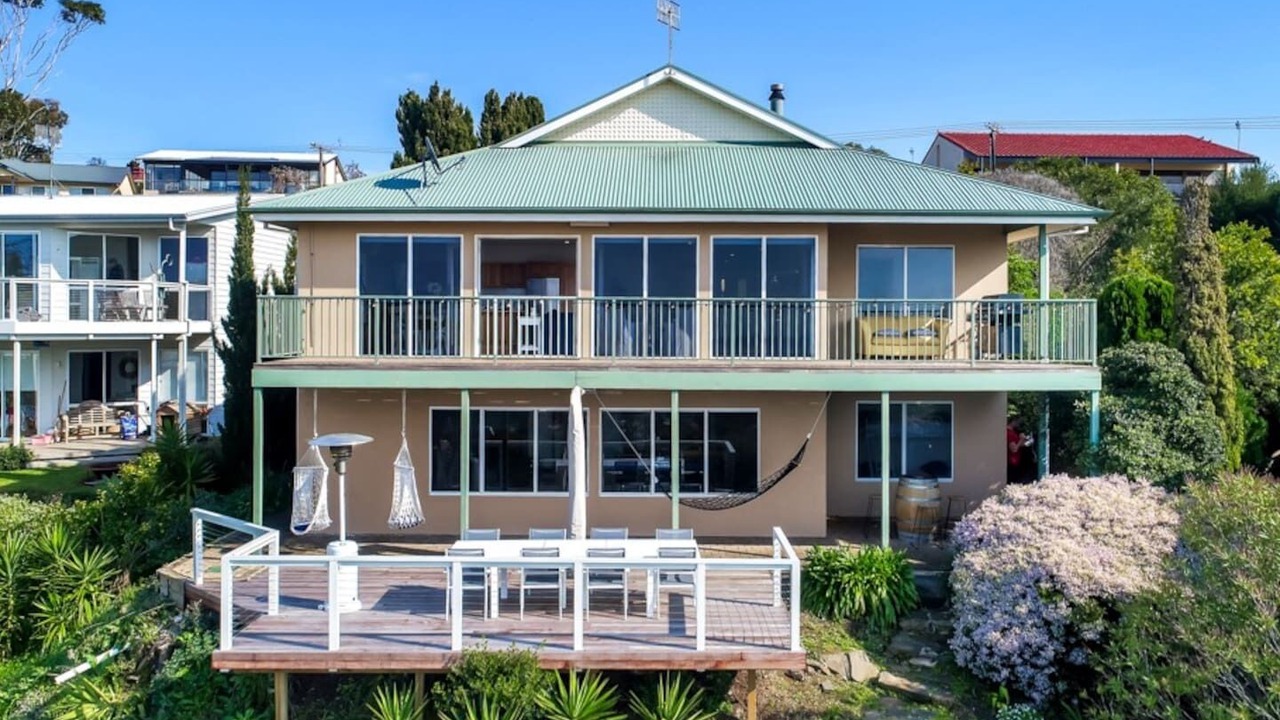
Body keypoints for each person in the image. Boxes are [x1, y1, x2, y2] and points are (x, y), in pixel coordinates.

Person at [1006, 418, 1033, 484]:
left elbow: (1020, 445)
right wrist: (1021, 440)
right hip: (1012, 461)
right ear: (1013, 421)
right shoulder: (1009, 433)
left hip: (1017, 461)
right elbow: (1014, 449)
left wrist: (1026, 441)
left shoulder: (1014, 432)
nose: (1018, 424)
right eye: (1017, 422)